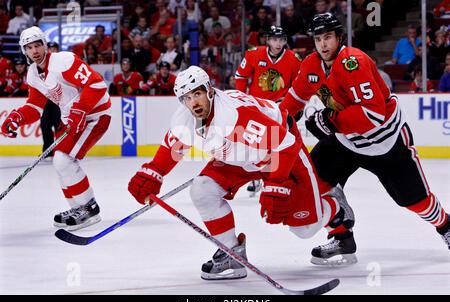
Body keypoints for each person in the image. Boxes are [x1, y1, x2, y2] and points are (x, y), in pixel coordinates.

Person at [127, 65, 356, 279]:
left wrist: (276, 185)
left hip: (278, 153)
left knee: (304, 229)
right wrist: (153, 172)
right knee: (202, 189)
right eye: (186, 98)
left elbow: (283, 143)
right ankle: (231, 253)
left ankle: (334, 208)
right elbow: (173, 149)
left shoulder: (233, 117)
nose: (193, 102)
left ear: (209, 91)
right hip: (236, 157)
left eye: (197, 94)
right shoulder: (184, 119)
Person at [279, 13, 450, 264]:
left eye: (328, 37)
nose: (323, 44)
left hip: (384, 142)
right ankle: (342, 238)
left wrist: (328, 121)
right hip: (345, 142)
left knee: (416, 202)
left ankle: (445, 226)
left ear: (339, 37)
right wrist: (275, 123)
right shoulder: (311, 65)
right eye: (318, 39)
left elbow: (372, 114)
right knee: (310, 184)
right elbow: (294, 98)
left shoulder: (353, 62)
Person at [0, 26, 111, 231]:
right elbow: (35, 107)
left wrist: (81, 109)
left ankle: (90, 207)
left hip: (95, 115)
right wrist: (18, 117)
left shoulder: (63, 61)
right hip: (72, 119)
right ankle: (78, 207)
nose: (34, 51)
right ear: (24, 51)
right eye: (29, 47)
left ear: (45, 44)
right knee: (60, 164)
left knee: (63, 160)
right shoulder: (33, 74)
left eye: (37, 45)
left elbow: (96, 85)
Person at [235, 26, 302, 196]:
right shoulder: (254, 53)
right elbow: (240, 76)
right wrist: (241, 98)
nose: (278, 43)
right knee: (254, 143)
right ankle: (256, 178)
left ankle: (277, 176)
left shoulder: (294, 59)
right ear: (268, 40)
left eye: (281, 40)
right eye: (274, 39)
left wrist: (292, 103)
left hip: (279, 109)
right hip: (256, 107)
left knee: (279, 144)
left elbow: (299, 86)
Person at [40, 42, 62, 158]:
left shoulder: (62, 63)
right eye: (51, 49)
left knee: (59, 124)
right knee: (44, 124)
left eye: (55, 49)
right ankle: (48, 150)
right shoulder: (42, 64)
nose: (53, 51)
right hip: (46, 99)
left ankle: (61, 151)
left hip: (60, 100)